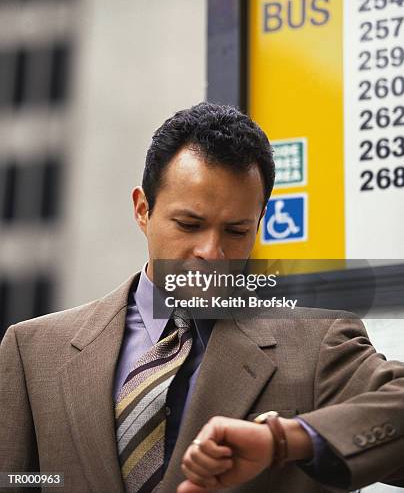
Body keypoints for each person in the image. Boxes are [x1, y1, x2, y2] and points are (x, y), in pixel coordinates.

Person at [0, 102, 403, 493]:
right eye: (190, 224)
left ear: (259, 224)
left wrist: (284, 440)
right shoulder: (33, 350)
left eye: (236, 231)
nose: (212, 252)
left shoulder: (316, 343)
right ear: (143, 209)